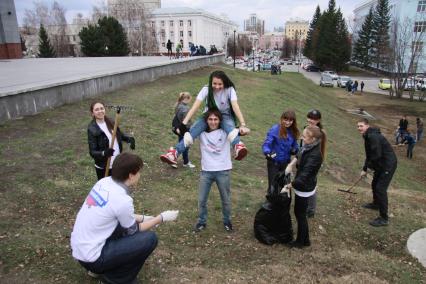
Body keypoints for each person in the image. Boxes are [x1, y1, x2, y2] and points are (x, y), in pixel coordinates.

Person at [71, 153, 179, 284]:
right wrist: (160, 218)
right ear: (131, 175)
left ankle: (100, 270)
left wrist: (145, 217)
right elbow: (133, 230)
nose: (140, 175)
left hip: (79, 249)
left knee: (119, 226)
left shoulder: (103, 182)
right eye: (139, 172)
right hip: (94, 259)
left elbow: (114, 214)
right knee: (149, 239)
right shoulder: (123, 200)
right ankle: (114, 279)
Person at [160, 70, 249, 165]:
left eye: (220, 84)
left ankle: (238, 146)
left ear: (224, 82)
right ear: (211, 82)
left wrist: (242, 124)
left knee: (231, 130)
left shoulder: (229, 89)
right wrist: (183, 123)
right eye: (214, 83)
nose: (217, 87)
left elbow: (235, 106)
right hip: (209, 114)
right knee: (191, 134)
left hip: (225, 115)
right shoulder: (206, 89)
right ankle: (174, 153)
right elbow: (195, 106)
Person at [282, 126, 326, 248]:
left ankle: (300, 242)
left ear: (313, 139)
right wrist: (291, 164)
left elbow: (304, 177)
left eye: (305, 136)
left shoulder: (315, 155)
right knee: (299, 213)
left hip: (304, 187)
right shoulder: (309, 146)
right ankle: (305, 240)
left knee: (300, 214)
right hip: (302, 184)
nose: (302, 138)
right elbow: (299, 153)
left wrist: (289, 186)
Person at [194, 110, 234, 232]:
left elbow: (239, 132)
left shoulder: (226, 131)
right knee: (201, 200)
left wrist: (243, 128)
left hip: (223, 171)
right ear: (206, 121)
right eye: (210, 119)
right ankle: (201, 222)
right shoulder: (201, 132)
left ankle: (227, 221)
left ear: (220, 120)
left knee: (226, 200)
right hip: (206, 171)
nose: (213, 122)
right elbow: (189, 132)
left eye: (215, 119)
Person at [357, 118, 397, 227]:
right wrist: (364, 169)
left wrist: (369, 168)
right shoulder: (367, 136)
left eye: (361, 126)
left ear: (367, 126)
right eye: (358, 126)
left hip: (388, 164)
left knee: (380, 189)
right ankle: (376, 204)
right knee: (374, 183)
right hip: (380, 164)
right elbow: (369, 155)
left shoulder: (373, 136)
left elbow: (376, 155)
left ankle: (384, 218)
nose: (359, 128)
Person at [88, 101, 135, 180]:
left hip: (116, 163)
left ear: (105, 110)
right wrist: (104, 153)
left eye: (101, 108)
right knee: (105, 188)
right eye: (96, 109)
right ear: (92, 113)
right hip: (103, 166)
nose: (100, 111)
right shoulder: (92, 129)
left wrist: (128, 139)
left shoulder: (111, 122)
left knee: (116, 185)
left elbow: (120, 135)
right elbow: (92, 152)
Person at [262, 110, 300, 194]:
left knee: (284, 185)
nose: (287, 122)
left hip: (285, 164)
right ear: (282, 119)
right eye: (285, 119)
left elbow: (295, 145)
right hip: (274, 163)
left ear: (293, 121)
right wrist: (267, 152)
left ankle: (281, 205)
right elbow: (267, 143)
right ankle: (270, 205)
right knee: (273, 186)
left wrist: (295, 149)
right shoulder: (275, 129)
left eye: (290, 120)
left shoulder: (293, 131)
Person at [299, 109, 325, 218]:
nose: (310, 120)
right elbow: (302, 142)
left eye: (314, 119)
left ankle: (311, 209)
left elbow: (322, 148)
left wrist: (320, 161)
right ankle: (304, 204)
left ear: (318, 120)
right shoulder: (306, 128)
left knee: (311, 185)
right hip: (303, 158)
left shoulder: (321, 132)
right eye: (309, 117)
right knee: (303, 181)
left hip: (313, 161)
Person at [171, 92, 195, 168]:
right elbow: (186, 121)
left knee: (181, 144)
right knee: (184, 145)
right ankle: (184, 161)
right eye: (189, 99)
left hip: (179, 128)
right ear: (186, 99)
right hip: (184, 129)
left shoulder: (178, 105)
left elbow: (176, 118)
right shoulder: (185, 108)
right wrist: (190, 128)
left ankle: (174, 159)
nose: (190, 101)